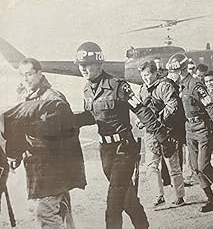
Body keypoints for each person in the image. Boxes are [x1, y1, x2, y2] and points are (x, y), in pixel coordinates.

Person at [74, 42, 175, 229]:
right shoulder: (87, 90)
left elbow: (141, 110)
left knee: (113, 204)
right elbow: (91, 116)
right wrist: (67, 121)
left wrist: (162, 137)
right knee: (128, 199)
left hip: (124, 149)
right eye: (80, 65)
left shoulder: (118, 85)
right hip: (105, 152)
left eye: (86, 64)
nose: (83, 68)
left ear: (99, 64)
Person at [15, 57, 87, 229]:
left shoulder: (53, 98)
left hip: (54, 166)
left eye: (29, 74)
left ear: (40, 73)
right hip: (39, 167)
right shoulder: (25, 97)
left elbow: (69, 128)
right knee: (61, 212)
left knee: (45, 213)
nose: (26, 79)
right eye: (22, 75)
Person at [167, 53, 213, 212]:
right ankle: (211, 200)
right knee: (195, 167)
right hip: (190, 129)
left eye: (172, 72)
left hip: (202, 128)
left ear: (179, 71)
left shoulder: (195, 85)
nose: (170, 75)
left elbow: (210, 107)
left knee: (204, 165)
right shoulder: (180, 86)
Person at [138, 60, 185, 207]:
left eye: (147, 75)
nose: (145, 78)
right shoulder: (143, 90)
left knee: (173, 166)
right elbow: (142, 110)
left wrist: (156, 119)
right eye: (143, 75)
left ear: (155, 73)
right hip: (151, 133)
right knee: (151, 166)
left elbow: (173, 106)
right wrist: (142, 121)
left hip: (167, 131)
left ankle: (179, 195)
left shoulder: (164, 86)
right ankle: (158, 196)